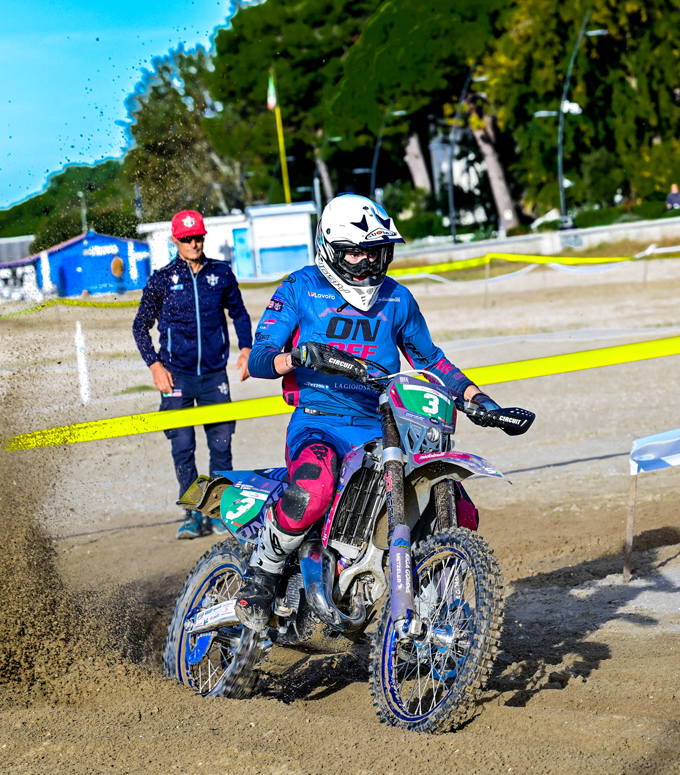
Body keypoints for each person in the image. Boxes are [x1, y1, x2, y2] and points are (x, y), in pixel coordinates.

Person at [234, 194, 504, 631]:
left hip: (385, 425)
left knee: (457, 505)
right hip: (319, 421)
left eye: (375, 252)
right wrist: (296, 357)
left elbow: (431, 361)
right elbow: (261, 356)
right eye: (355, 252)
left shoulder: (398, 299)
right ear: (329, 248)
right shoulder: (300, 287)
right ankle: (262, 574)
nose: (367, 263)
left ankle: (433, 606)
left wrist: (480, 400)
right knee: (314, 488)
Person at [133, 209, 253, 540]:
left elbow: (239, 313)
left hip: (214, 375)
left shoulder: (221, 273)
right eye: (186, 239)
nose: (193, 243)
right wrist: (155, 366)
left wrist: (246, 348)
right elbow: (140, 326)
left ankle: (219, 512)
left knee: (221, 445)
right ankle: (192, 515)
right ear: (175, 240)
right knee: (182, 447)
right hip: (176, 376)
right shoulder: (161, 279)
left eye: (197, 237)